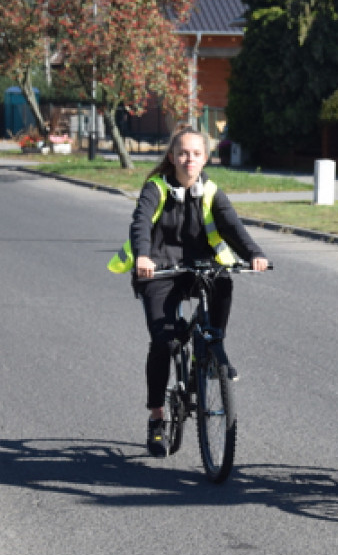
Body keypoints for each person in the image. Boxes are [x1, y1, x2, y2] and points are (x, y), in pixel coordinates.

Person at [108, 126, 269, 456]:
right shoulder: (155, 188)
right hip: (159, 269)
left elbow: (231, 224)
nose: (189, 159)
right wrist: (142, 256)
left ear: (205, 157)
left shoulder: (210, 190)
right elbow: (140, 223)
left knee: (223, 281)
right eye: (182, 153)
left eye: (196, 153)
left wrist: (254, 253)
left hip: (198, 266)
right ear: (171, 157)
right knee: (164, 341)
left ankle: (211, 349)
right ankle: (156, 417)